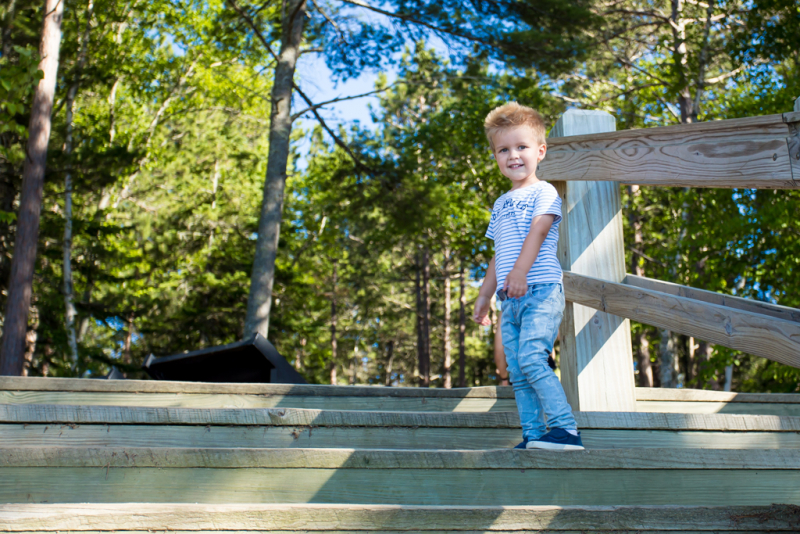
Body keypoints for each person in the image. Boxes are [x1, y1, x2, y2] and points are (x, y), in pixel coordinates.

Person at [473, 102, 583, 451]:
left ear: (540, 150)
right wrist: (483, 295)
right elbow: (498, 254)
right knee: (518, 372)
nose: (513, 156)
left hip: (540, 289)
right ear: (495, 156)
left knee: (534, 359)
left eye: (521, 147)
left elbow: (538, 231)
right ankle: (534, 435)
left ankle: (565, 430)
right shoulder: (500, 203)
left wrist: (520, 272)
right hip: (510, 300)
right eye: (503, 149)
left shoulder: (544, 191)